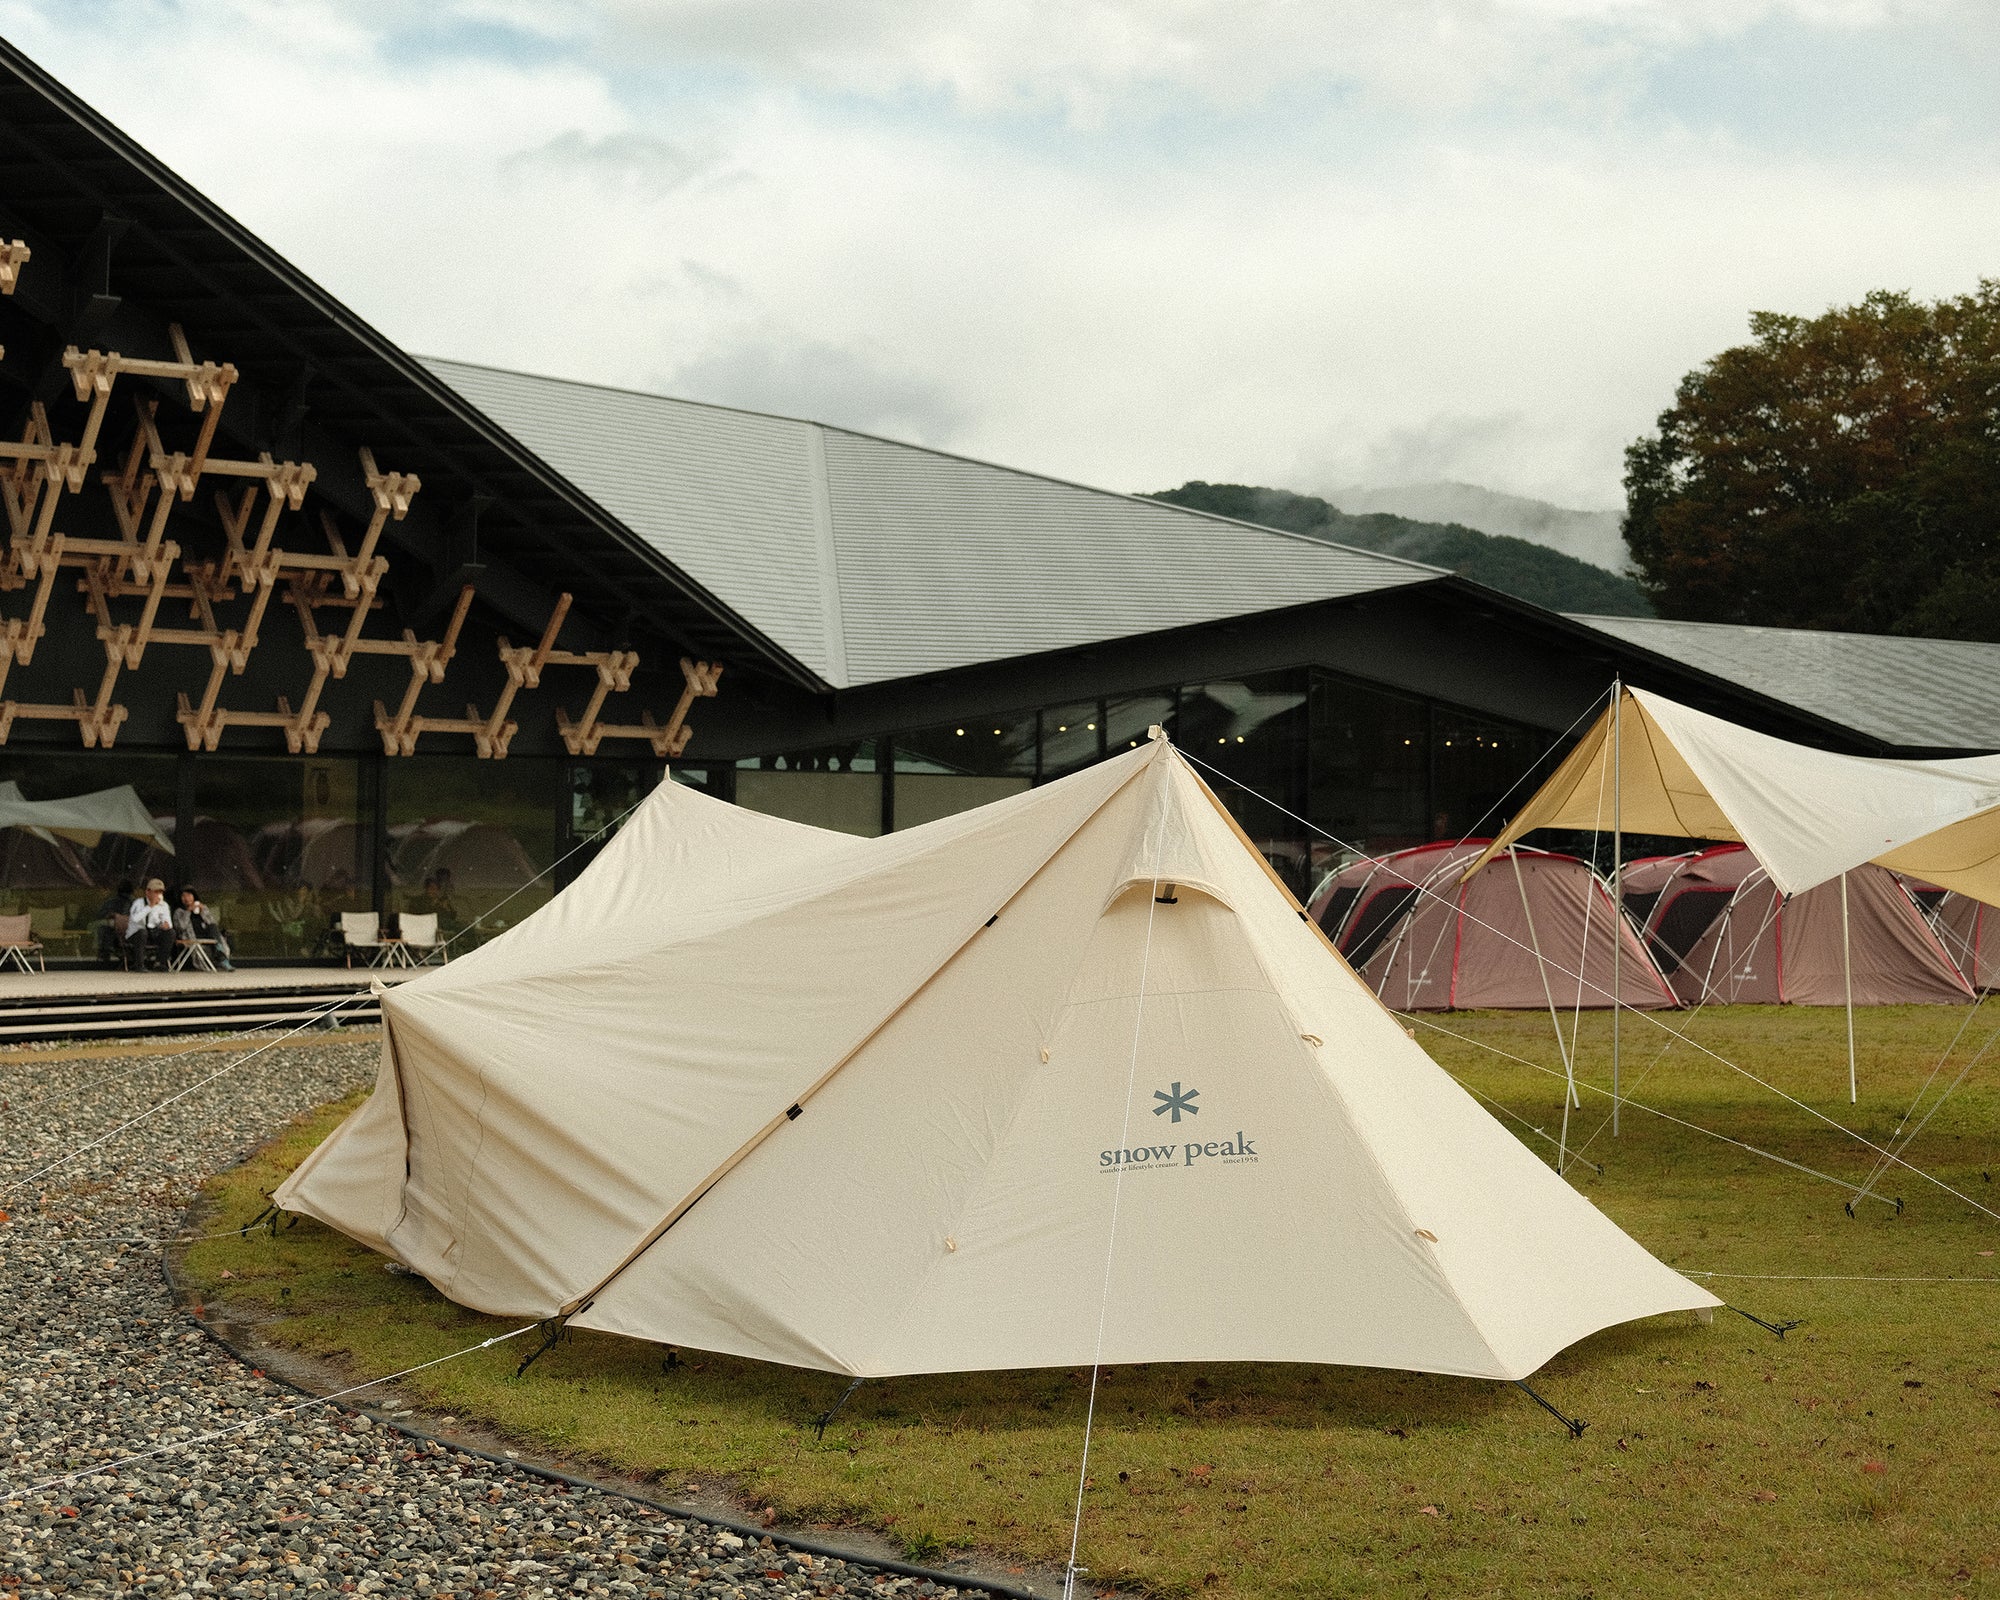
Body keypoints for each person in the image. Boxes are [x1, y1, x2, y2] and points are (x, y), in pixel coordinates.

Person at [174, 886, 234, 971]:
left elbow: (212, 922)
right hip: (191, 936)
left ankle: (220, 953)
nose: (187, 898)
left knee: (213, 927)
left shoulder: (203, 907)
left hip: (207, 934)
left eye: (189, 895)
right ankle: (222, 959)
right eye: (184, 896)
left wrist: (203, 912)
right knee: (214, 936)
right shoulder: (179, 912)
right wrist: (188, 912)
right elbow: (181, 927)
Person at [124, 878, 173, 971]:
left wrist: (166, 925)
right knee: (142, 933)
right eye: (156, 892)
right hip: (136, 934)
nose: (158, 895)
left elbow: (168, 922)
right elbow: (135, 919)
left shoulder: (164, 905)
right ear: (148, 892)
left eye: (160, 892)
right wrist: (150, 906)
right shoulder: (138, 903)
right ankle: (139, 965)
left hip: (153, 932)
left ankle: (160, 963)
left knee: (170, 933)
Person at [94, 878, 134, 968]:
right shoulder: (112, 902)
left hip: (130, 932)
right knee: (104, 928)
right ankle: (105, 952)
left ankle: (104, 953)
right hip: (116, 931)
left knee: (102, 928)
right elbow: (100, 914)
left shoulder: (134, 903)